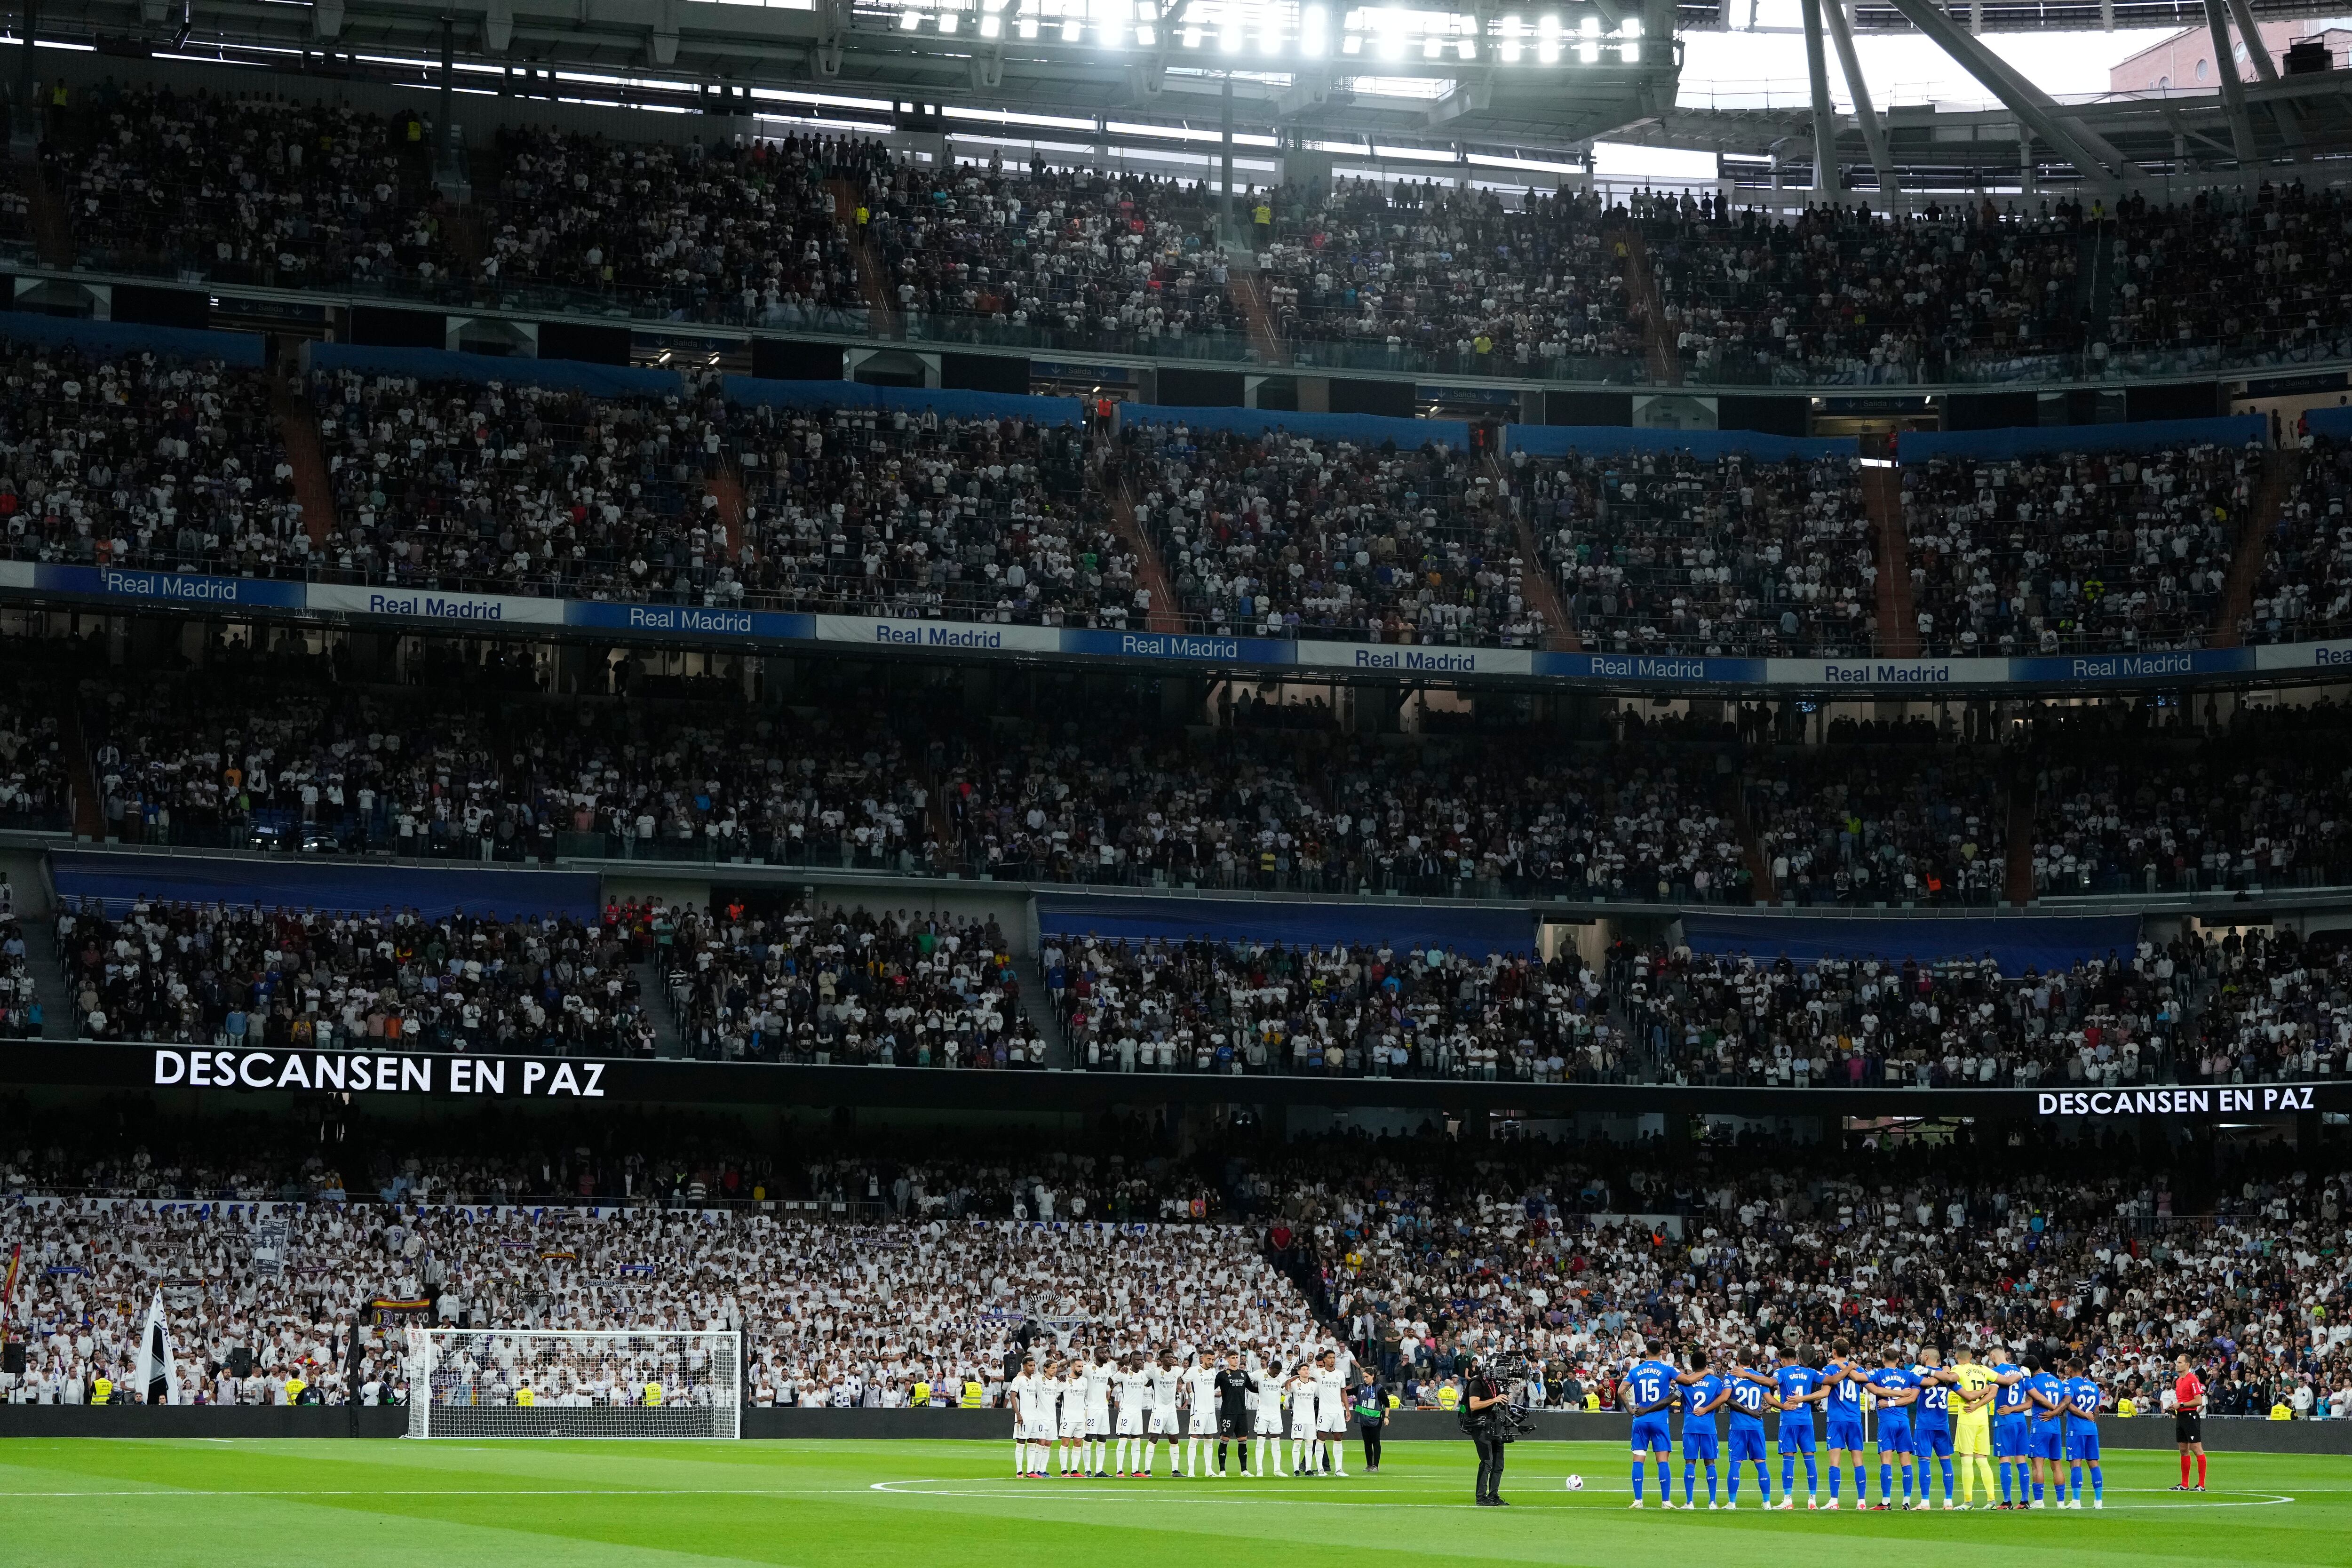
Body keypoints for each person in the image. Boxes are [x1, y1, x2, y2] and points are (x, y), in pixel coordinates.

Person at [1620, 1337, 1679, 1509]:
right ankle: (1666, 1501)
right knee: (1663, 1461)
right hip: (1660, 1420)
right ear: (1662, 1352)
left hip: (1640, 1420)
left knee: (1638, 1459)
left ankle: (1638, 1501)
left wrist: (1631, 1410)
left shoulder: (1635, 1371)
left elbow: (1621, 1391)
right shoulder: (1668, 1370)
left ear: (1646, 1352)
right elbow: (1683, 1383)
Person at [1768, 1344, 1825, 1509]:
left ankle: (1788, 1500)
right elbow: (1828, 1382)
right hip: (1806, 1421)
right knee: (1810, 1460)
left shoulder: (1782, 1372)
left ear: (1784, 1360)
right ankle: (1813, 1500)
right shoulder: (1810, 1373)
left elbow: (1771, 1382)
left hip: (1789, 1421)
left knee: (1788, 1460)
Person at [1864, 1348, 1920, 1510]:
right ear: (1898, 1360)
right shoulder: (1908, 1375)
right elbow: (1915, 1394)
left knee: (1886, 1461)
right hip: (1903, 1421)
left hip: (1887, 1421)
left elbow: (1868, 1384)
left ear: (1883, 1359)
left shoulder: (1878, 1374)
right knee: (1906, 1462)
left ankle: (1886, 1501)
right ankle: (1907, 1501)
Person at [1946, 1343, 1999, 1509]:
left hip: (1967, 1418)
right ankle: (1991, 1500)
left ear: (1956, 1356)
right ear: (1971, 1356)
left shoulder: (1957, 1370)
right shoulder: (1983, 1370)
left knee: (1967, 1461)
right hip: (1983, 1419)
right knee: (1983, 1461)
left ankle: (1968, 1501)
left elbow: (1952, 1381)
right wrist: (1980, 1404)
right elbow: (1995, 1388)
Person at [1722, 1346, 1776, 1510]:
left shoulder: (1730, 1375)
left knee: (1735, 1464)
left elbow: (1728, 1400)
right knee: (1761, 1464)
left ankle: (1732, 1503)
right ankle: (1767, 1502)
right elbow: (1769, 1399)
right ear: (1753, 1361)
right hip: (1756, 1426)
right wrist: (1783, 1406)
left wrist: (1747, 1411)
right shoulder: (1760, 1377)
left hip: (1738, 1426)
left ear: (1737, 1359)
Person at [1819, 1336, 1868, 1510]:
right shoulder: (1857, 1369)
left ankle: (1834, 1501)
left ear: (1833, 1352)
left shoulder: (1829, 1369)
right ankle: (1861, 1502)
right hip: (1854, 1419)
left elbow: (1825, 1392)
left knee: (1835, 1461)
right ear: (1848, 1353)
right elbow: (1863, 1380)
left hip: (1837, 1419)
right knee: (1858, 1460)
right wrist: (1848, 1366)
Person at [1678, 1347, 1726, 1509]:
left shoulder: (1685, 1381)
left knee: (1690, 1463)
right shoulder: (1715, 1382)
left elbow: (1674, 1398)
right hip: (1708, 1427)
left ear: (1691, 1364)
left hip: (1691, 1425)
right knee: (1710, 1463)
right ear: (1706, 1364)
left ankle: (1690, 1502)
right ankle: (1712, 1502)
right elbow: (1724, 1399)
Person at [1462, 1352, 1513, 1506]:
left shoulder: (1496, 1384)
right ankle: (1481, 1497)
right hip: (1479, 1424)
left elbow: (1496, 1403)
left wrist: (1503, 1399)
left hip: (1494, 1423)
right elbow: (1474, 1405)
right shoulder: (1477, 1382)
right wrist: (1495, 1399)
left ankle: (1493, 1495)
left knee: (1499, 1463)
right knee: (1487, 1462)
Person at [1910, 1345, 1956, 1509]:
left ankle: (1925, 1502)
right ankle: (1949, 1501)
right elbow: (1961, 1390)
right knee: (1946, 1461)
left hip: (1924, 1424)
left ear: (1926, 1356)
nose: (1920, 1357)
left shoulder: (1918, 1372)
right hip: (1942, 1424)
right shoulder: (1948, 1376)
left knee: (1924, 1461)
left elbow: (1918, 1389)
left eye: (1922, 1355)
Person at [1989, 1345, 2032, 1509]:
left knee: (2005, 1460)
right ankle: (2024, 1500)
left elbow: (1992, 1393)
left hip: (2004, 1420)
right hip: (2020, 1420)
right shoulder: (2021, 1372)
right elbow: (2030, 1402)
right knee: (2021, 1460)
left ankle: (2007, 1501)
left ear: (1993, 1356)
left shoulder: (1995, 1372)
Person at [2024, 1356, 2068, 1508]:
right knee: (2057, 1465)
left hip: (2041, 1424)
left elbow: (2029, 1403)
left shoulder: (2032, 1382)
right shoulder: (2057, 1381)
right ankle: (2061, 1503)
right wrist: (2056, 1412)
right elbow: (2064, 1402)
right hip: (2056, 1426)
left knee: (2037, 1465)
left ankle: (2038, 1501)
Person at [2061, 1360, 2105, 1509]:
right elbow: (2097, 1411)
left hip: (2076, 1429)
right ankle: (2098, 1502)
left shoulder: (2069, 1385)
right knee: (2094, 1464)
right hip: (2092, 1429)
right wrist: (2090, 1418)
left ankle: (2076, 1501)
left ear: (2070, 1369)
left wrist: (2084, 1416)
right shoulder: (2094, 1386)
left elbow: (2069, 1405)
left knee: (2076, 1464)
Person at [1213, 1349, 1253, 1477]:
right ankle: (1222, 1470)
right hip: (1228, 1412)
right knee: (1225, 1438)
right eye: (1234, 1358)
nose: (1236, 1360)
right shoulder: (1222, 1375)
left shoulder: (1244, 1374)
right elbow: (1210, 1387)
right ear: (1227, 1360)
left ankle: (1244, 1470)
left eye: (1237, 1357)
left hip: (1242, 1412)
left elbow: (1252, 1389)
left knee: (1243, 1439)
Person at [2174, 1353, 2208, 1492]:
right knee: (2183, 1450)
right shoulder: (2179, 1381)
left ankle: (2201, 1485)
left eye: (2180, 1363)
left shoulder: (2192, 1379)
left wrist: (2181, 1405)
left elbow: (2199, 1401)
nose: (2177, 1364)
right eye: (2177, 1362)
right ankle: (2184, 1484)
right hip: (2181, 1416)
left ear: (2187, 1365)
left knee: (2196, 1449)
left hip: (2190, 1416)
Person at [1184, 1350, 1219, 1478]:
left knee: (1209, 1439)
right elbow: (1183, 1380)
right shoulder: (1194, 1370)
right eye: (1209, 1359)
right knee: (1194, 1439)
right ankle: (1191, 1471)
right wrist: (1191, 1394)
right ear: (1203, 1358)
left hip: (1211, 1410)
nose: (1211, 1362)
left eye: (1213, 1359)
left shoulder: (1213, 1371)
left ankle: (1209, 1470)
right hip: (1198, 1410)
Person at [1113, 1352, 1149, 1477]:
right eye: (1138, 1360)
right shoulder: (1124, 1373)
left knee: (1136, 1441)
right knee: (1123, 1440)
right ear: (1131, 1361)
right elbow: (1110, 1381)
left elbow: (1149, 1382)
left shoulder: (1143, 1375)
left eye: (1141, 1360)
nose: (1140, 1362)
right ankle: (1119, 1471)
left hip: (1137, 1413)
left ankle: (1135, 1470)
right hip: (1126, 1412)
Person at [1353, 1364, 1387, 1474]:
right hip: (1364, 1420)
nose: (1365, 1379)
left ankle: (1376, 1465)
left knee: (1375, 1442)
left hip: (1376, 1420)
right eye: (1364, 1377)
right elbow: (1348, 1392)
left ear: (1373, 1376)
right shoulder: (1361, 1387)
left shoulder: (1379, 1388)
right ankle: (1369, 1465)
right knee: (1367, 1443)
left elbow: (1387, 1403)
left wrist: (1386, 1417)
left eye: (1367, 1377)